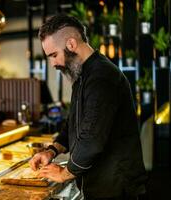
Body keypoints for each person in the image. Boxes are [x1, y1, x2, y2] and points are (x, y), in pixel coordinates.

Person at [29, 14, 147, 200]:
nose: (53, 64)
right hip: (100, 183)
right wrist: (52, 151)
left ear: (71, 44)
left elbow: (91, 139)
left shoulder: (101, 76)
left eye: (53, 55)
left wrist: (64, 173)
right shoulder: (83, 75)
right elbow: (73, 123)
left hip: (117, 186)